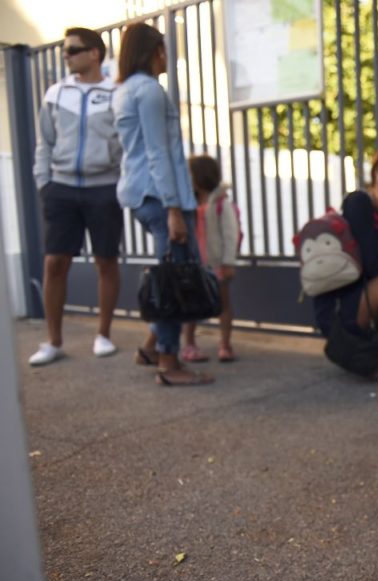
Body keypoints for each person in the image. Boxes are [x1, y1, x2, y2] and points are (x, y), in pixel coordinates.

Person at [114, 22, 212, 386]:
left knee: (172, 269)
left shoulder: (125, 91)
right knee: (176, 279)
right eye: (164, 48)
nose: (168, 56)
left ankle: (152, 346)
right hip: (161, 196)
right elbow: (158, 153)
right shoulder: (151, 92)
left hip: (142, 192)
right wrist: (174, 209)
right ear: (154, 51)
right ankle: (169, 365)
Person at [29, 27, 123, 366]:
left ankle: (104, 335)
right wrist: (45, 183)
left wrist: (120, 182)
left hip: (104, 187)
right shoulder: (56, 93)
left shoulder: (116, 92)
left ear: (94, 53)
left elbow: (125, 143)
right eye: (66, 51)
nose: (66, 56)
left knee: (106, 261)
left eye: (73, 50)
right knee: (55, 263)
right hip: (62, 188)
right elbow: (45, 142)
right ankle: (53, 341)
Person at [311, 145, 378, 372]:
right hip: (346, 305)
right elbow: (370, 263)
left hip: (371, 297)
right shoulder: (359, 202)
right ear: (374, 175)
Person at [181, 155, 240, 363]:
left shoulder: (221, 204)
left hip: (217, 264)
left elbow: (230, 234)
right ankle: (189, 344)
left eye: (189, 174)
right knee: (190, 307)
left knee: (223, 304)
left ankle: (225, 344)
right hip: (195, 265)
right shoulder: (188, 203)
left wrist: (228, 261)